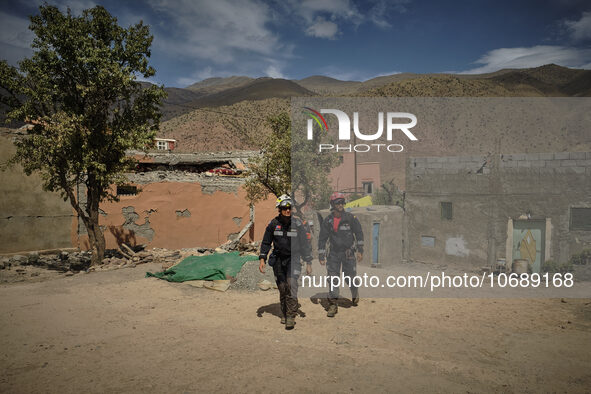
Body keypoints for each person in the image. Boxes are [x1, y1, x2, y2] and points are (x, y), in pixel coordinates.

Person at [259, 194, 313, 330]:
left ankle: (291, 316)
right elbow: (266, 242)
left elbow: (305, 244)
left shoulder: (298, 224)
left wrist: (308, 263)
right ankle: (284, 313)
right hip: (278, 260)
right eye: (284, 208)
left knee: (292, 284)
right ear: (279, 209)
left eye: (289, 208)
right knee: (282, 288)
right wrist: (262, 259)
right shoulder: (273, 224)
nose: (287, 210)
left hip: (293, 259)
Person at [318, 192, 364, 317]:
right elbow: (322, 238)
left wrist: (360, 250)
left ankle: (354, 291)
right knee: (333, 278)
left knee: (350, 277)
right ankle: (333, 304)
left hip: (349, 253)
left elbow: (359, 234)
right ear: (333, 204)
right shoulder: (328, 220)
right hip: (333, 254)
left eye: (342, 202)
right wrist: (321, 255)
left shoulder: (350, 218)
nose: (340, 205)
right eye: (337, 202)